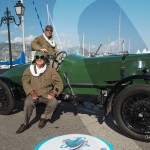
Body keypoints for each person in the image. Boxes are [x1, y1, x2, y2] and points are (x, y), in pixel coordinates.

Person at [16, 51, 63, 134]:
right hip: (34, 94)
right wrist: (31, 92)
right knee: (28, 102)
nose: (39, 59)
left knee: (54, 102)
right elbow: (25, 81)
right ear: (35, 59)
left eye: (42, 57)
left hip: (46, 94)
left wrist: (53, 93)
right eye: (37, 57)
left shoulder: (50, 70)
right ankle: (25, 123)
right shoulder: (29, 70)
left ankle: (43, 117)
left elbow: (58, 83)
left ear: (44, 59)